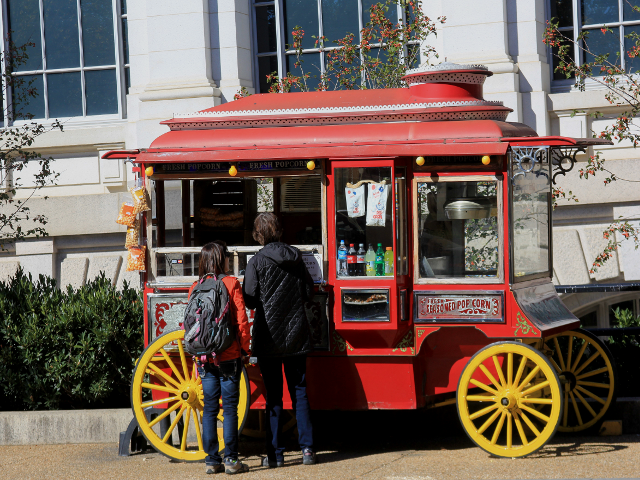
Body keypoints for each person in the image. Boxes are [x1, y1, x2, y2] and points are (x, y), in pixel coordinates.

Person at [242, 213, 317, 467]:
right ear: (279, 231)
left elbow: (250, 299)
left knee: (273, 396)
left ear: (258, 234)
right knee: (300, 392)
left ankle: (275, 455)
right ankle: (308, 450)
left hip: (268, 336)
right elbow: (309, 291)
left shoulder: (256, 262)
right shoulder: (296, 257)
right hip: (296, 334)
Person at [189, 242, 251, 475]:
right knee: (231, 409)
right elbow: (241, 321)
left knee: (210, 410)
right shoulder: (231, 283)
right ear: (222, 259)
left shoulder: (196, 286)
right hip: (228, 354)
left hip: (204, 357)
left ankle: (212, 461)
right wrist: (245, 349)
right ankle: (232, 460)